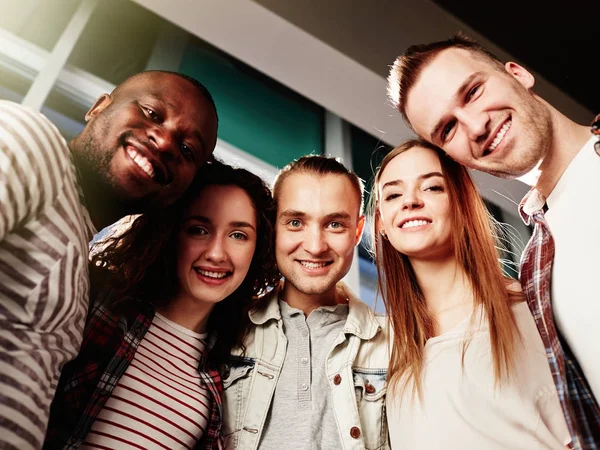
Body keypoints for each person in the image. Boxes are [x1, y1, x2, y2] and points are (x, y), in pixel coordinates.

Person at [387, 34, 600, 447]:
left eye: (473, 91)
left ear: (517, 73)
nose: (477, 125)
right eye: (448, 129)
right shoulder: (538, 271)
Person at [0, 70, 219, 449]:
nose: (165, 142)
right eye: (152, 113)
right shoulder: (30, 141)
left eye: (187, 151)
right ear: (99, 107)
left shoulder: (84, 273)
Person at [43, 160, 280, 449]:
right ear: (172, 233)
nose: (217, 254)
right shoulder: (98, 304)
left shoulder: (230, 368)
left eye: (238, 235)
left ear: (258, 250)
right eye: (199, 230)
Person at [371, 139, 570, 449]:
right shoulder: (391, 355)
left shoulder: (528, 309)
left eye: (432, 188)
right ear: (382, 223)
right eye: (393, 194)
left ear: (460, 201)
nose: (409, 201)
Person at [221, 155, 390, 450]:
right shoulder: (226, 329)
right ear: (273, 226)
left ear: (358, 231)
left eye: (335, 224)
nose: (315, 246)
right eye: (296, 222)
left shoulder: (395, 345)